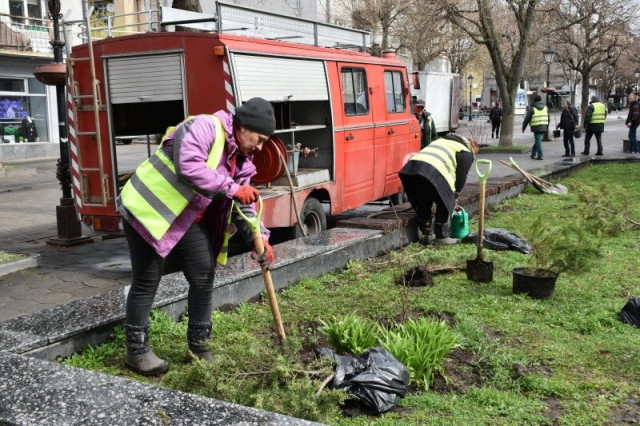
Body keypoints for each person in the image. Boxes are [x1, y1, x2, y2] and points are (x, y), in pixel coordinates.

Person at [117, 97, 276, 376]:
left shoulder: (242, 160)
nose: (260, 147)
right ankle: (137, 352)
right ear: (244, 127)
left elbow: (244, 204)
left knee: (203, 275)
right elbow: (188, 167)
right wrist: (232, 188)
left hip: (185, 218)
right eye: (260, 139)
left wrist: (259, 238)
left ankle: (199, 348)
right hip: (148, 211)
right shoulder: (205, 126)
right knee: (147, 280)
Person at [399, 134, 478, 245]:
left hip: (414, 169)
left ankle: (426, 234)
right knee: (444, 203)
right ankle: (441, 237)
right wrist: (455, 194)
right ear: (472, 148)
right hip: (434, 170)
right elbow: (461, 176)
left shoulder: (440, 141)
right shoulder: (465, 151)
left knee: (423, 201)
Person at [522, 94, 549, 160]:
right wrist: (547, 126)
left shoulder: (532, 108)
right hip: (544, 126)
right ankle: (533, 154)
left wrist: (523, 127)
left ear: (534, 100)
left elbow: (527, 119)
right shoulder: (545, 107)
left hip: (536, 126)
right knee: (538, 140)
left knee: (538, 141)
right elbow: (548, 118)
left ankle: (540, 155)